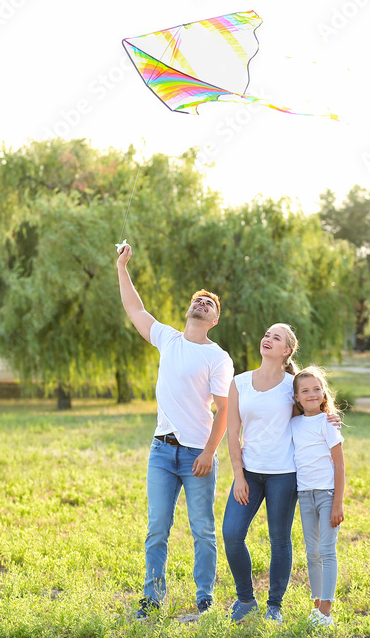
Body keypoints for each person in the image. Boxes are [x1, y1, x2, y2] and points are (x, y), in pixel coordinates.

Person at [116, 242, 234, 620]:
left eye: (209, 304)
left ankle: (205, 598)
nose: (202, 304)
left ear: (214, 320)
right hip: (162, 453)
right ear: (188, 310)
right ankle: (152, 599)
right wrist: (122, 268)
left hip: (198, 455)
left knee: (202, 530)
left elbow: (224, 411)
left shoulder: (217, 357)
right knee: (157, 530)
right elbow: (136, 308)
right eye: (198, 301)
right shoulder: (167, 338)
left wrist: (208, 453)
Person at [222, 323, 301, 624]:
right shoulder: (239, 383)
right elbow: (232, 433)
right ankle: (245, 599)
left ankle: (274, 606)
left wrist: (329, 418)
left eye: (276, 337)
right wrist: (239, 476)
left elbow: (313, 410)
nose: (267, 339)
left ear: (286, 351)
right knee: (231, 534)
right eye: (266, 334)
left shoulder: (292, 385)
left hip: (284, 474)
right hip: (250, 474)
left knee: (279, 539)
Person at [291, 365, 346, 628]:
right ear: (297, 398)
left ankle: (326, 610)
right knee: (311, 551)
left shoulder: (328, 424)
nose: (311, 394)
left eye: (316, 389)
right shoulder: (293, 424)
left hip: (326, 495)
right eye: (305, 391)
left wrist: (338, 503)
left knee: (326, 549)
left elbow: (340, 465)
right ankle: (316, 604)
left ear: (324, 394)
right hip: (304, 495)